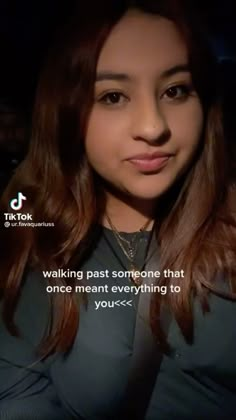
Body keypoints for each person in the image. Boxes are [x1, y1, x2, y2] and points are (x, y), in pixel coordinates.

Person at [0, 0, 236, 419]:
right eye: (113, 96)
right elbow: (17, 388)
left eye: (175, 90)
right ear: (69, 111)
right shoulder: (37, 233)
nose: (153, 126)